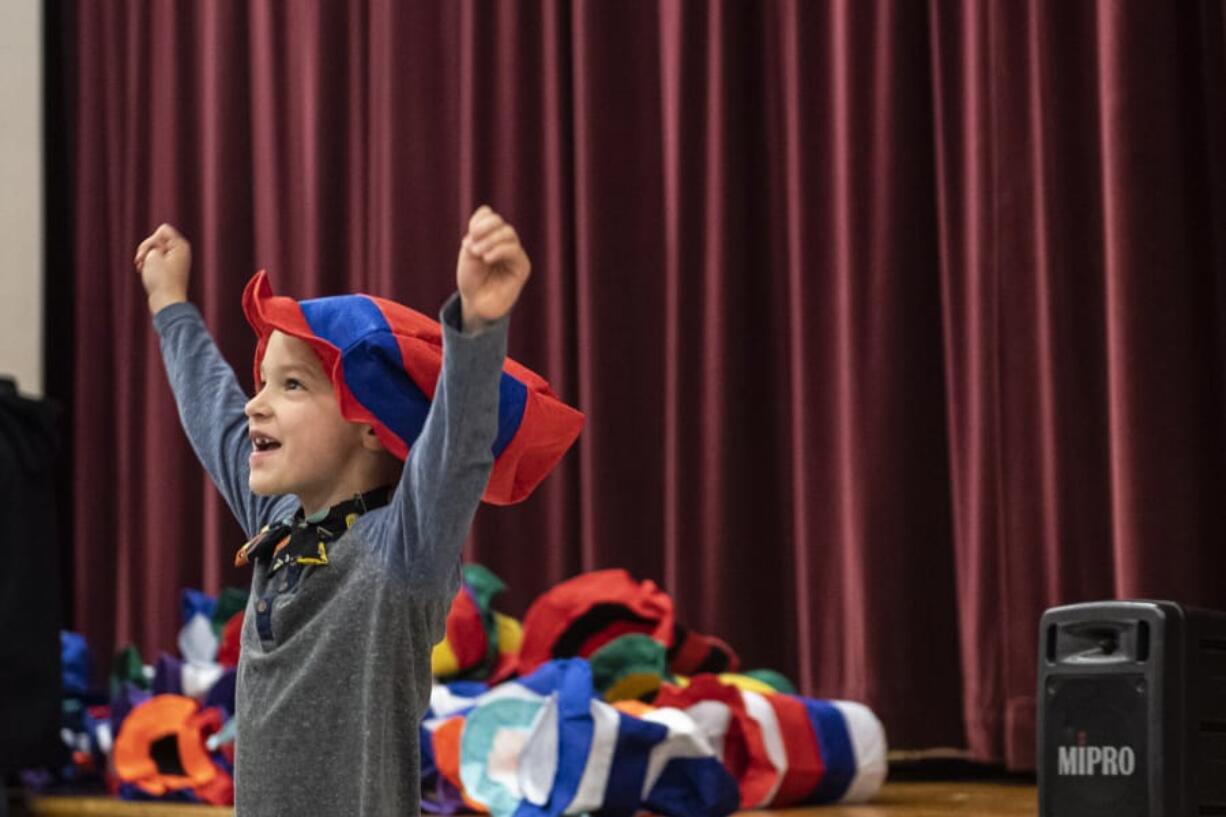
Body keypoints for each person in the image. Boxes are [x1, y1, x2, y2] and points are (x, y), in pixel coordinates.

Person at [134, 208, 562, 815]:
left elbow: (456, 450)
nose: (254, 404)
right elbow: (213, 412)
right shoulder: (276, 522)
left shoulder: (401, 552)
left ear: (370, 426)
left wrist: (477, 327)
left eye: (291, 386)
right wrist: (170, 302)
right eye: (262, 382)